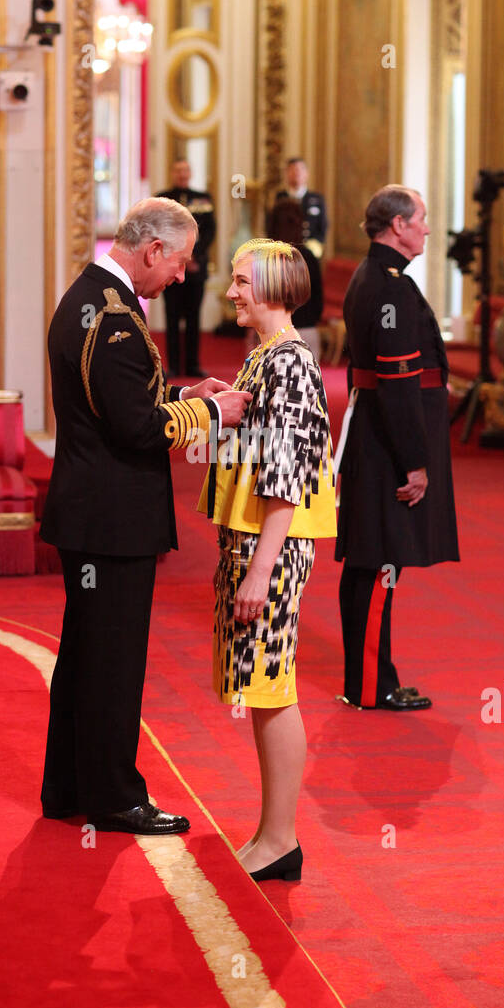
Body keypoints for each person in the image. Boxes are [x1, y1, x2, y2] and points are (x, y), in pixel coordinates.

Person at [40, 198, 250, 835]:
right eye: (181, 262)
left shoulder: (93, 297)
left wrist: (186, 393)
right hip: (111, 517)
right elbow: (135, 426)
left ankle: (68, 786)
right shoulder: (116, 318)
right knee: (113, 659)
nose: (183, 277)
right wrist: (215, 415)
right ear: (153, 250)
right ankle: (114, 796)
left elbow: (124, 395)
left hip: (90, 510)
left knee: (84, 654)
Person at [198, 238, 336, 881]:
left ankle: (281, 839)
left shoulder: (288, 364)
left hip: (269, 548)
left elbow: (286, 474)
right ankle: (271, 832)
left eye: (242, 281)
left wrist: (259, 568)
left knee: (274, 690)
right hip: (253, 542)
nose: (231, 292)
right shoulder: (265, 359)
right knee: (260, 688)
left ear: (276, 290)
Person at [334, 186, 459, 710]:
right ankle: (371, 685)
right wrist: (416, 463)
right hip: (390, 449)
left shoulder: (379, 279)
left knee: (374, 563)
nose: (428, 229)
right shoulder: (389, 290)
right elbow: (399, 384)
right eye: (422, 220)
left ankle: (376, 676)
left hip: (376, 438)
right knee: (382, 563)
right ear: (399, 226)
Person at [157, 160, 216, 379]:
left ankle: (192, 365)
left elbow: (210, 231)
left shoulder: (203, 198)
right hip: (169, 269)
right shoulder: (161, 199)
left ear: (190, 173)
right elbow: (158, 231)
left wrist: (192, 256)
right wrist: (177, 257)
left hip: (196, 268)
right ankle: (172, 366)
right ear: (172, 172)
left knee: (194, 318)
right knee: (171, 318)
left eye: (185, 170)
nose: (182, 173)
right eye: (178, 170)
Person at [267, 157, 327, 355]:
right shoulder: (279, 197)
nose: (296, 174)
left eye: (300, 170)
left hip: (307, 257)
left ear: (306, 173)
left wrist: (309, 252)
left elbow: (322, 229)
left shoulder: (316, 199)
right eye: (292, 170)